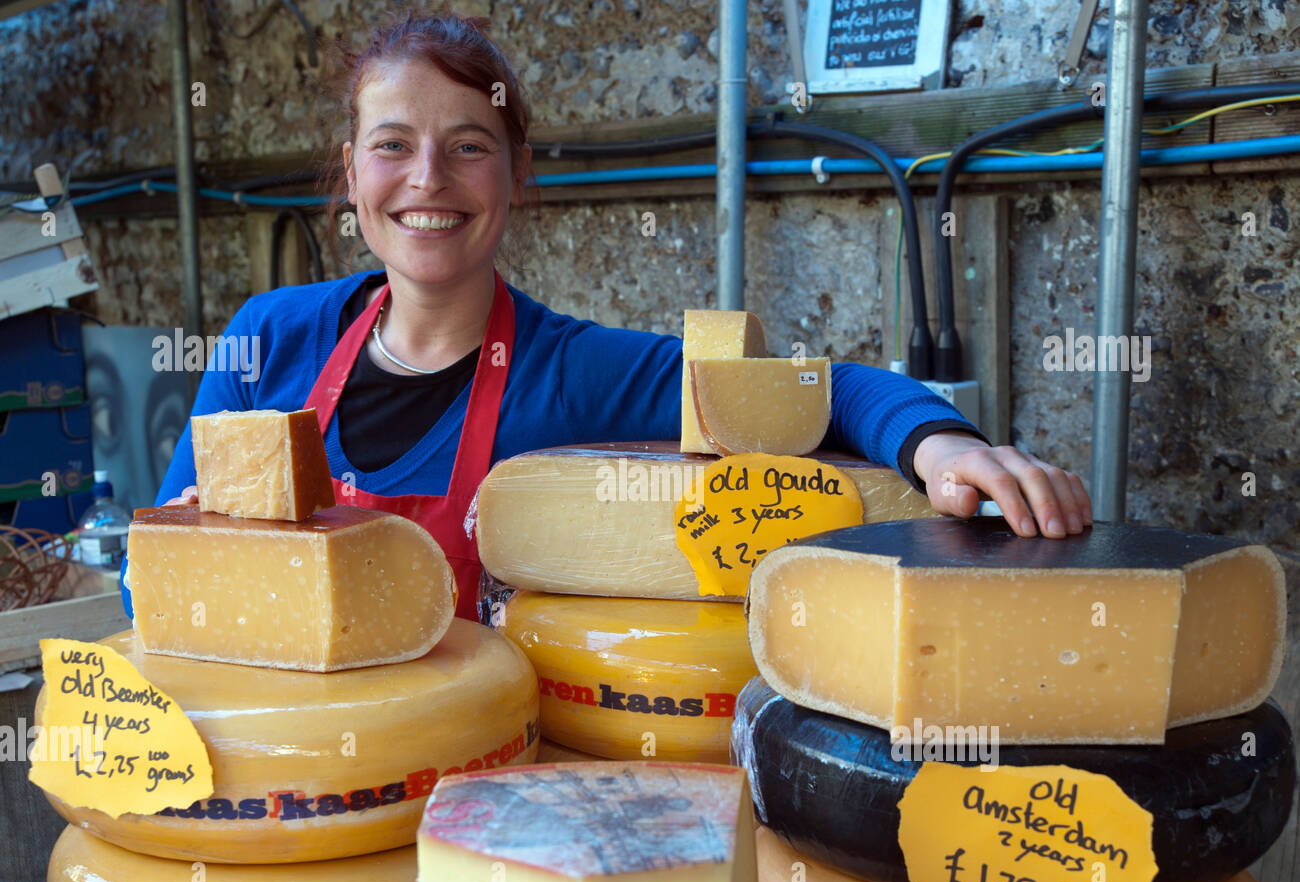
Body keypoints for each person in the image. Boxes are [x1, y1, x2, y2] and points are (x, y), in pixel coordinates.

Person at [127, 10, 1091, 622]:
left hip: (494, 823)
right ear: (351, 175)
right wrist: (184, 550)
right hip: (287, 802)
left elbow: (819, 390)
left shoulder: (574, 373)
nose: (427, 179)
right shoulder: (270, 339)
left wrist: (935, 443)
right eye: (393, 145)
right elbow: (146, 576)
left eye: (469, 147)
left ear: (513, 178)